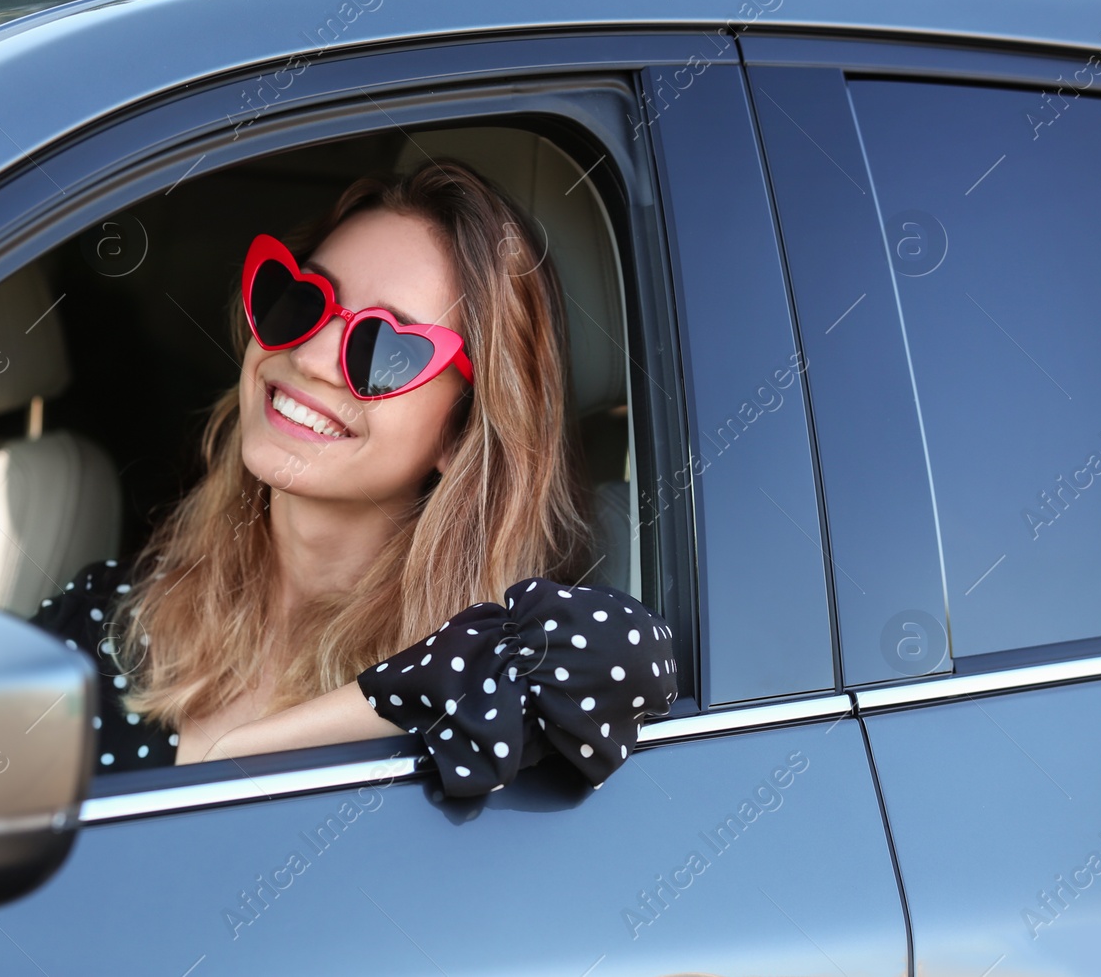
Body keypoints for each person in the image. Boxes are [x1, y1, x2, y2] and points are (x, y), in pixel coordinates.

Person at [35, 158, 678, 797]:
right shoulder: (108, 621)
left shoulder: (479, 688)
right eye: (303, 301)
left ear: (462, 431)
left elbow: (623, 656)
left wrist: (241, 757)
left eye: (387, 347)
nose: (309, 358)